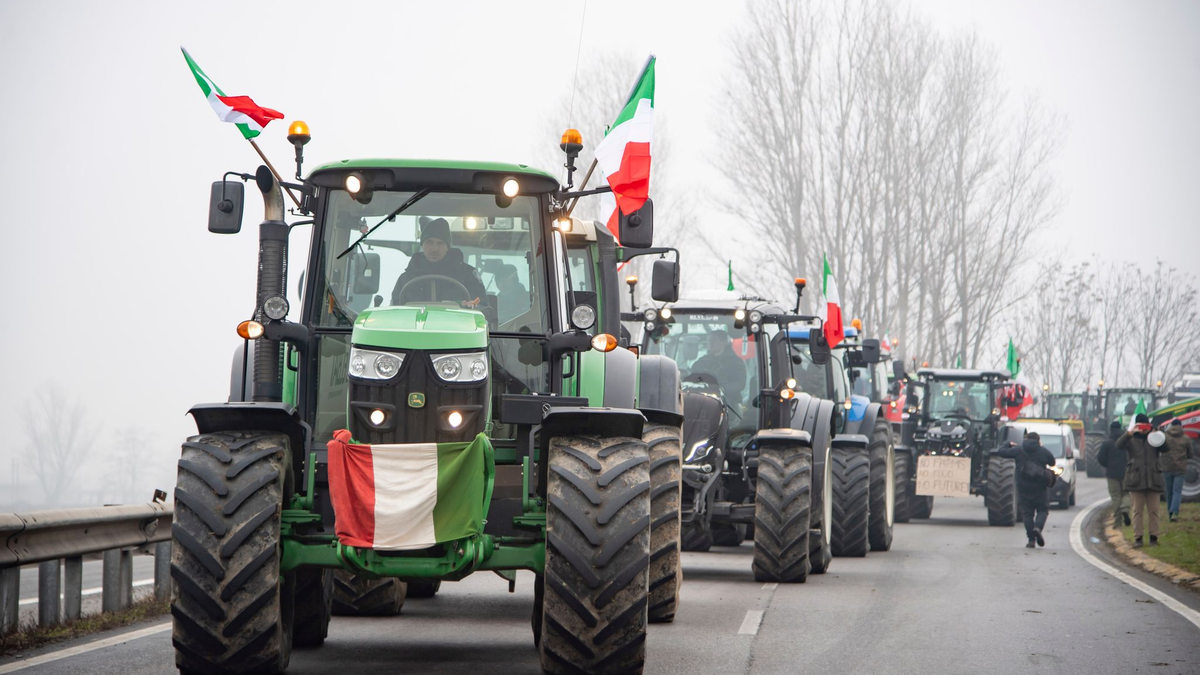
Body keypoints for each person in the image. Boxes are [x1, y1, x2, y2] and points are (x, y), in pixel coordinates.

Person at [391, 217, 486, 306]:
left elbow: (485, 309)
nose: (434, 249)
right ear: (422, 245)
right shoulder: (405, 279)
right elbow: (394, 312)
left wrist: (474, 306)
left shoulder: (468, 276)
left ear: (447, 247)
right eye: (429, 242)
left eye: (440, 243)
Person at [997, 431, 1056, 548]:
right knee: (1042, 510)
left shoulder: (1019, 450)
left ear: (1026, 439)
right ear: (1038, 440)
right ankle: (1038, 528)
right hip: (1040, 487)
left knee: (1027, 514)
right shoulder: (1043, 451)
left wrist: (1007, 443)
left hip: (1023, 487)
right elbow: (1052, 462)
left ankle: (1031, 540)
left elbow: (1001, 452)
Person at [1119, 414, 1167, 547]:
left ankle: (1154, 537)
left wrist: (1157, 434)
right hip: (1136, 479)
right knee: (1137, 511)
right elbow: (1119, 445)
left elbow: (1166, 448)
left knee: (1154, 511)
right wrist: (1130, 433)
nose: (1143, 428)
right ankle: (1138, 538)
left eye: (1145, 425)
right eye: (1140, 426)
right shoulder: (1131, 438)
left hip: (1153, 479)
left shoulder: (1154, 437)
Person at [690, 330, 747, 399]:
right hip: (704, 399)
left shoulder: (736, 362)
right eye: (710, 340)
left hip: (730, 402)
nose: (710, 342)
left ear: (724, 342)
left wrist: (720, 388)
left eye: (714, 340)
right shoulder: (703, 361)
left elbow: (740, 384)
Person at [1097, 421, 1131, 527]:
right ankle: (1125, 508)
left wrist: (1107, 465)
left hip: (1112, 473)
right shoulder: (1127, 442)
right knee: (1125, 493)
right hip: (1125, 471)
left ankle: (1117, 522)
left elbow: (1100, 458)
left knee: (1115, 496)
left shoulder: (1107, 443)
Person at [1162, 419, 1194, 522]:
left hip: (1166, 468)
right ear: (1181, 426)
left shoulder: (1165, 437)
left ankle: (1170, 513)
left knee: (1169, 491)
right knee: (1177, 491)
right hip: (1180, 469)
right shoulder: (1186, 438)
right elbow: (1191, 454)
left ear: (1171, 426)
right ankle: (1174, 512)